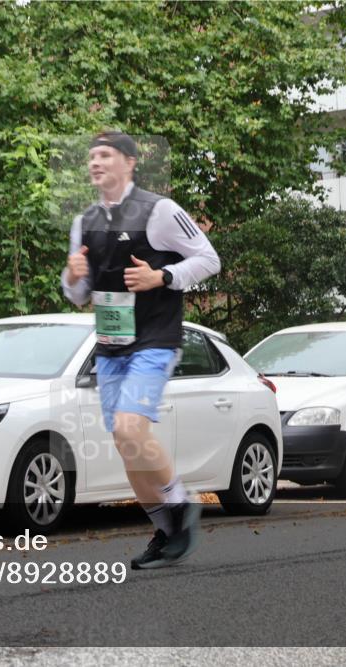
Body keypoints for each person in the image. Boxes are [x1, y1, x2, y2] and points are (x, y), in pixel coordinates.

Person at [62, 131, 221, 569]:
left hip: (155, 339)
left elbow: (209, 259)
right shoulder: (85, 222)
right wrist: (74, 275)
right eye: (92, 156)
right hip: (111, 343)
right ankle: (167, 533)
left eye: (105, 155)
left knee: (132, 429)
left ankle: (181, 502)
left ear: (129, 163)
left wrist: (162, 277)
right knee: (124, 441)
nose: (96, 162)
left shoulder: (160, 210)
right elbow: (77, 295)